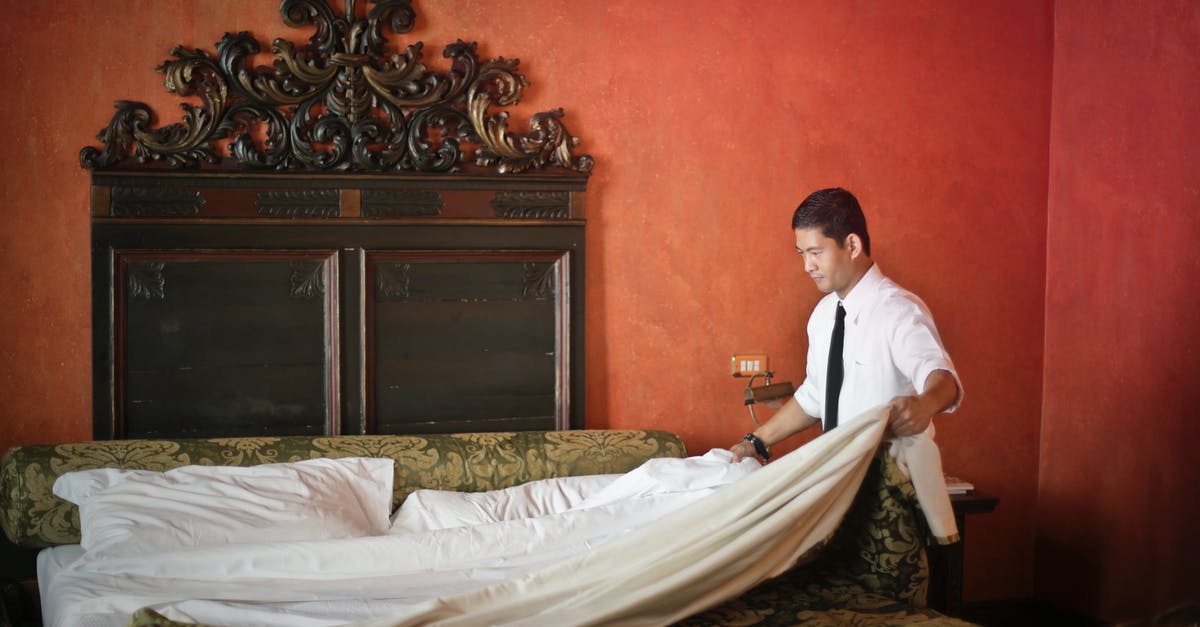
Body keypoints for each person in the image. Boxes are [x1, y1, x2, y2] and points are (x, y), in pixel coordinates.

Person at [730, 187, 962, 464]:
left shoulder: (899, 311)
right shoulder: (822, 316)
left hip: (891, 486)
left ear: (852, 246)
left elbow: (942, 377)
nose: (807, 266)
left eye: (815, 252)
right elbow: (815, 397)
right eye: (802, 253)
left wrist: (926, 404)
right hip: (837, 481)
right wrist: (756, 441)